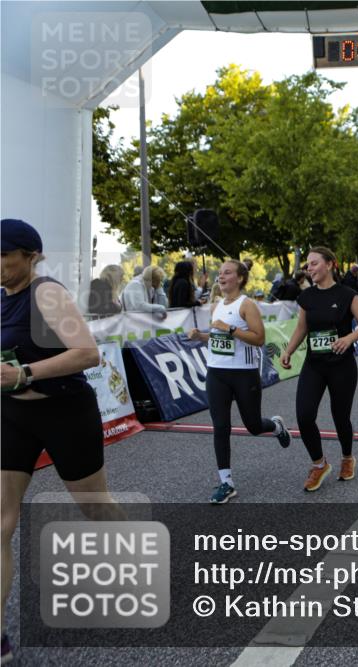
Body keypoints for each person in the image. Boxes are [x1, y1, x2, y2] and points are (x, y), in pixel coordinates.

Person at [1, 219, 126, 663]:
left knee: (95, 506)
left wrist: (26, 373)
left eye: (3, 255)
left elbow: (88, 353)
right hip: (13, 415)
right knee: (1, 523)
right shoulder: (1, 298)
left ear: (28, 256)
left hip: (64, 412)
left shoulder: (46, 293)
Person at [187, 260, 291, 503]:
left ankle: (276, 427)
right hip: (217, 373)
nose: (221, 277)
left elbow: (259, 339)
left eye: (227, 273)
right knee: (220, 426)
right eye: (220, 273)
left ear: (240, 278)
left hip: (244, 374)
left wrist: (231, 329)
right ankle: (226, 482)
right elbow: (216, 338)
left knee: (253, 426)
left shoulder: (247, 305)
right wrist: (200, 336)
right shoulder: (216, 307)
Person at [280, 247, 358, 491]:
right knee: (304, 415)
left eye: (313, 264)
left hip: (341, 366)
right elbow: (301, 328)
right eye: (307, 265)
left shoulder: (347, 294)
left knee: (340, 417)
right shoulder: (307, 297)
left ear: (330, 264)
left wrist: (349, 339)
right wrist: (289, 350)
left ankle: (347, 457)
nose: (309, 268)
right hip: (314, 365)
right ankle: (319, 464)